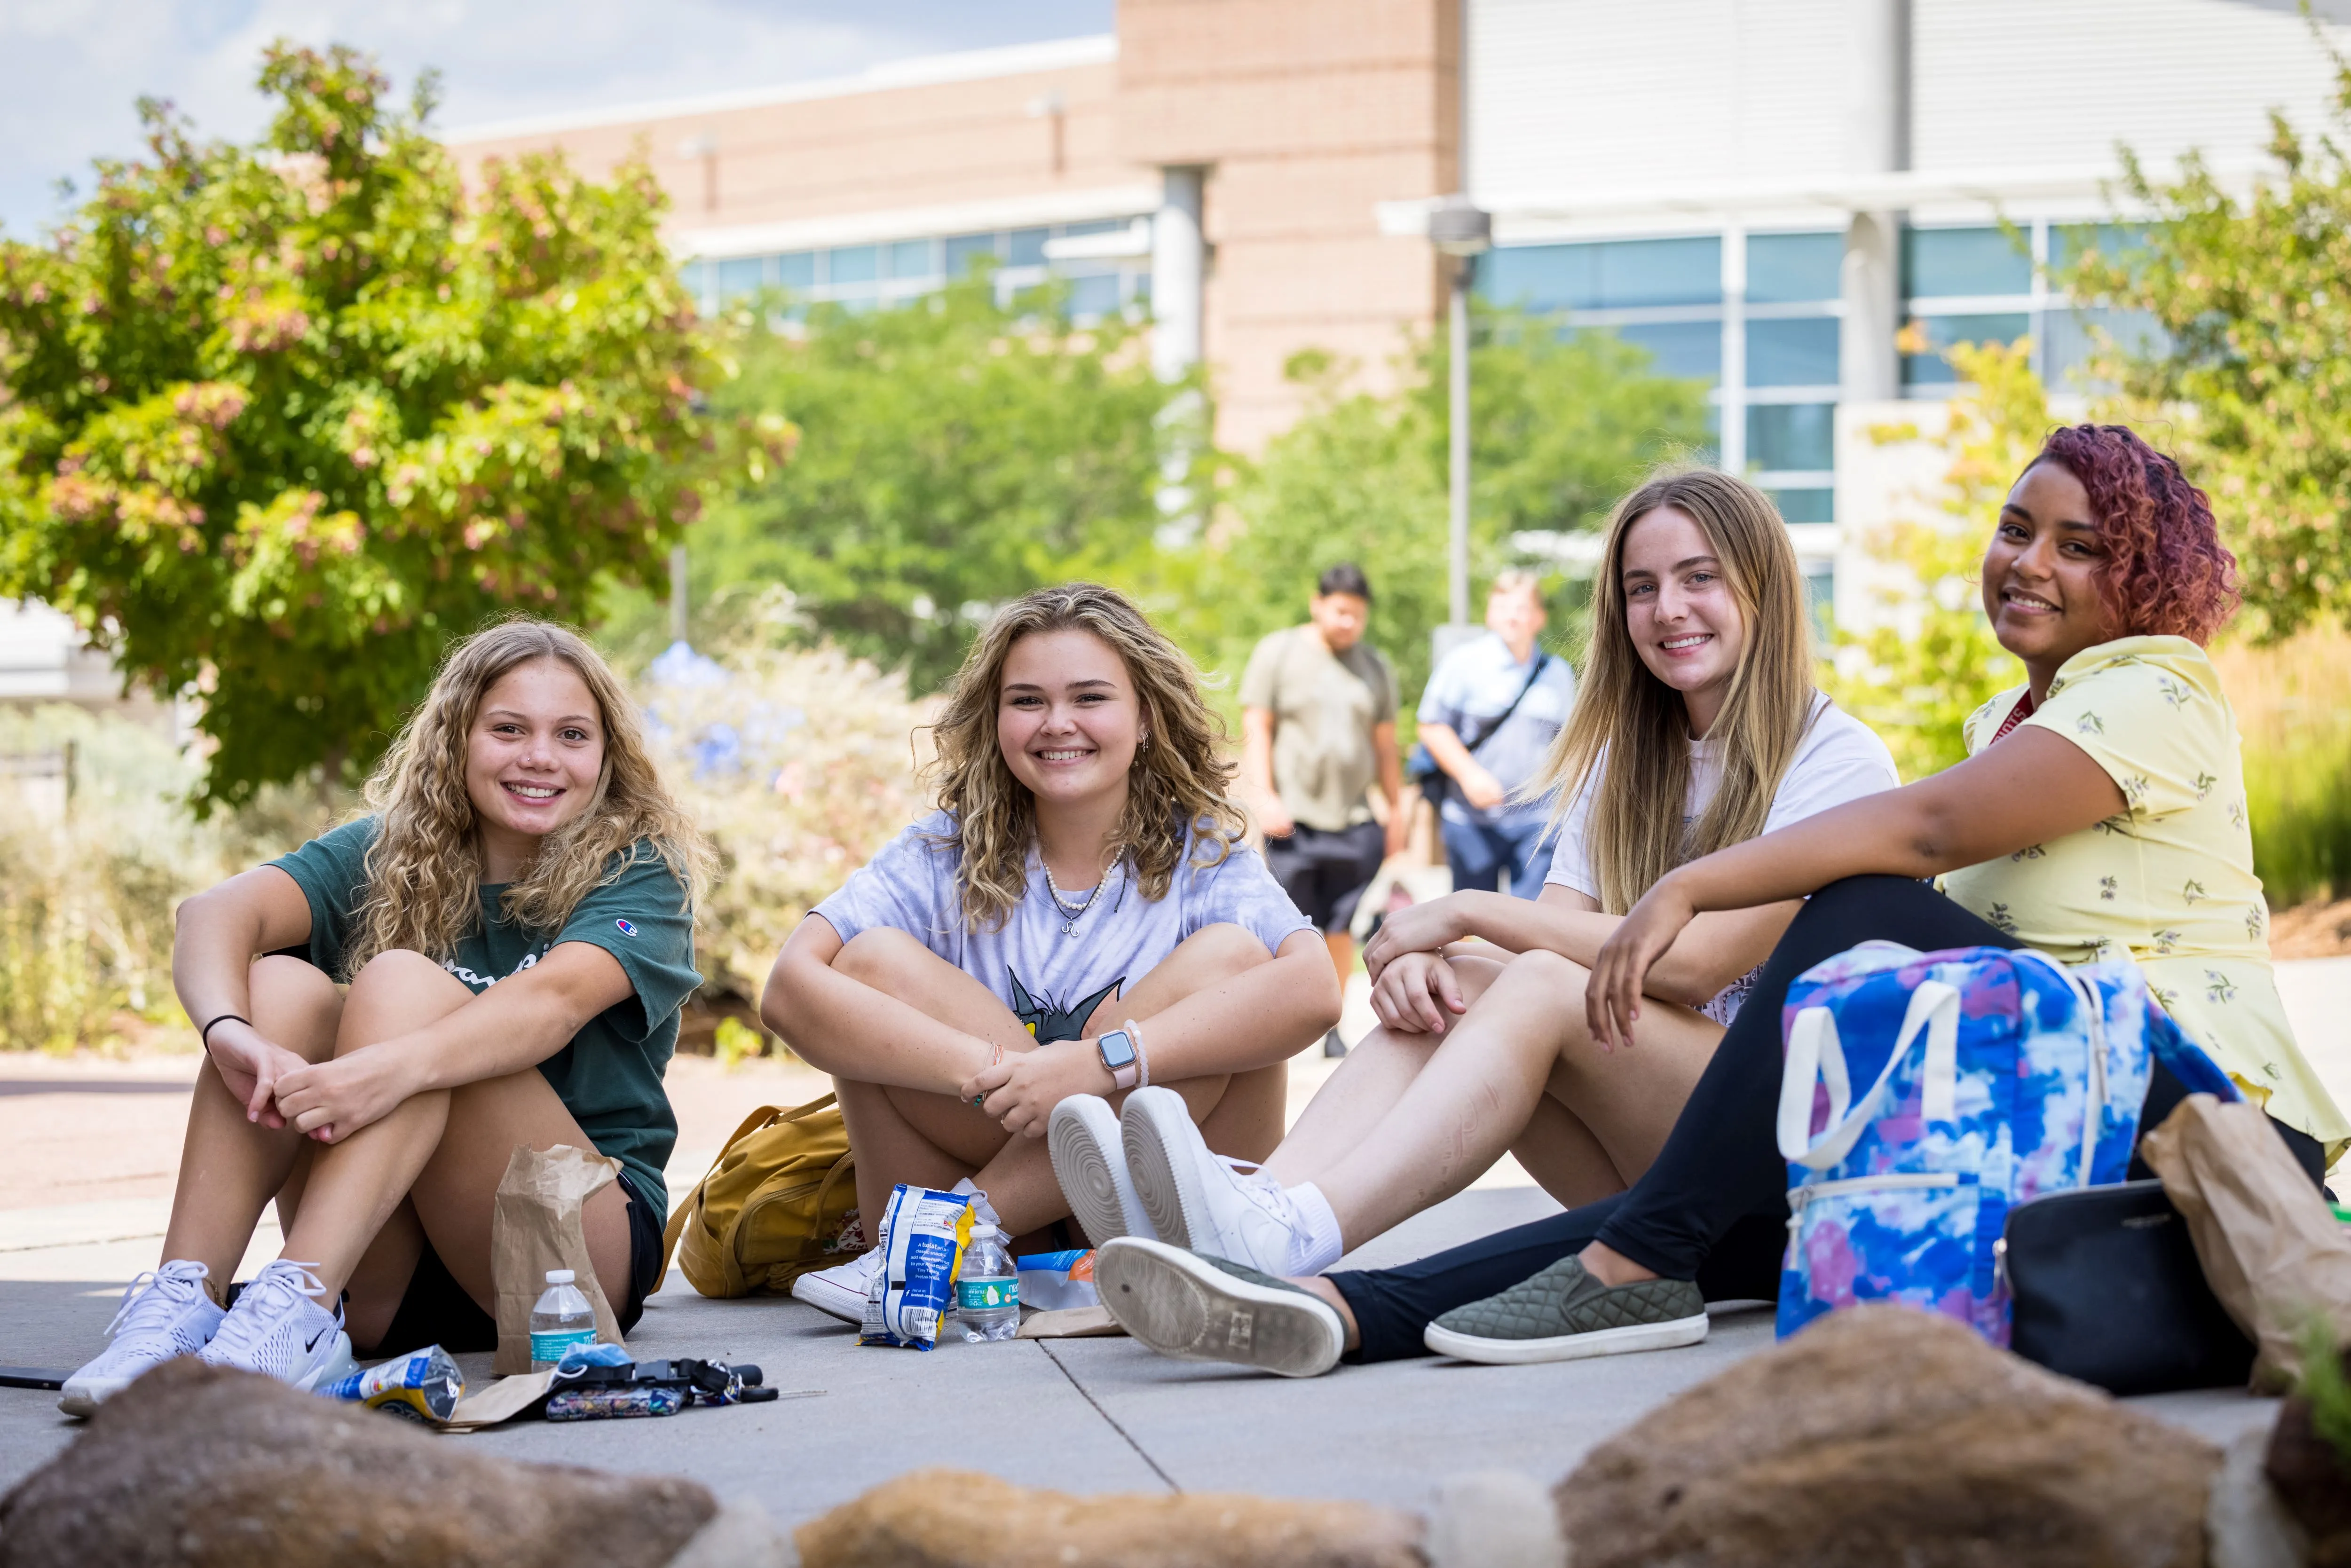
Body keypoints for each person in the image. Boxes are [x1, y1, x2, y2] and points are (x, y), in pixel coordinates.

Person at [1099, 424, 2351, 1378]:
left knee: (1864, 899)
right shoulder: (1999, 722)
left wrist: (1679, 883)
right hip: (2031, 1119)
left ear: (2145, 575)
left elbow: (1916, 836)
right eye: (2017, 528)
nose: (2027, 560)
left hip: (2205, 1120)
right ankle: (1331, 1302)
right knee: (1667, 1220)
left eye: (2080, 545)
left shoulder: (2156, 686)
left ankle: (1578, 1252)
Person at [1063, 469, 1897, 1374]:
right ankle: (1259, 1215)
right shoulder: (1628, 762)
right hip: (1656, 1167)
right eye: (1642, 588)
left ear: (1763, 588)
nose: (1669, 610)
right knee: (1466, 986)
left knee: (1521, 976)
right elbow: (1551, 938)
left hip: (1785, 1166)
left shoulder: (1836, 758)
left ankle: (1285, 1237)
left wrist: (1462, 912)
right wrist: (1446, 965)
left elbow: (1692, 966)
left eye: (1701, 578)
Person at [61, 620, 710, 1415]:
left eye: (571, 735)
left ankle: (297, 1300)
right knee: (276, 991)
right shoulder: (384, 853)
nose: (541, 756)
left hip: (567, 1261)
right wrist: (229, 1033)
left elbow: (552, 1003)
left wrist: (376, 1073)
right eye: (509, 729)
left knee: (401, 984)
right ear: (456, 739)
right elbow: (213, 914)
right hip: (388, 1281)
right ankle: (183, 1309)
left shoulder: (641, 871)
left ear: (606, 754)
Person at [762, 583, 1340, 1322]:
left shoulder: (1206, 855)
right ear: (995, 718)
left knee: (1229, 960)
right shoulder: (941, 850)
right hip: (1001, 1180)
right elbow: (788, 988)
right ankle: (958, 1242)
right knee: (870, 963)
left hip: (1165, 1219)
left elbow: (1317, 989)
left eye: (1090, 697)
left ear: (1146, 717)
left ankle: (938, 1237)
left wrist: (1098, 1063)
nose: (1057, 723)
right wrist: (998, 1074)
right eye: (1027, 700)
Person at [1241, 562, 1410, 1053]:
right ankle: (1272, 1025)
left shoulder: (1374, 667)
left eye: (1356, 615)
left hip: (1355, 821)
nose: (1347, 623)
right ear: (1317, 604)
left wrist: (1395, 812)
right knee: (1283, 928)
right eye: (1339, 611)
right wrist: (1262, 794)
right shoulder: (1278, 652)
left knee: (1340, 927)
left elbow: (1385, 747)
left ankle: (1330, 1025)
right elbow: (1257, 727)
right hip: (1291, 818)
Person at [1417, 571, 1577, 899]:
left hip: (1538, 821)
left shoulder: (1558, 673)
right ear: (1490, 613)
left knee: (1530, 923)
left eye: (1521, 607)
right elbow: (1432, 726)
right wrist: (1469, 774)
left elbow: (1571, 745)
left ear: (1539, 617)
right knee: (1468, 919)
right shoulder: (1463, 664)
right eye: (1502, 606)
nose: (1512, 616)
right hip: (1472, 820)